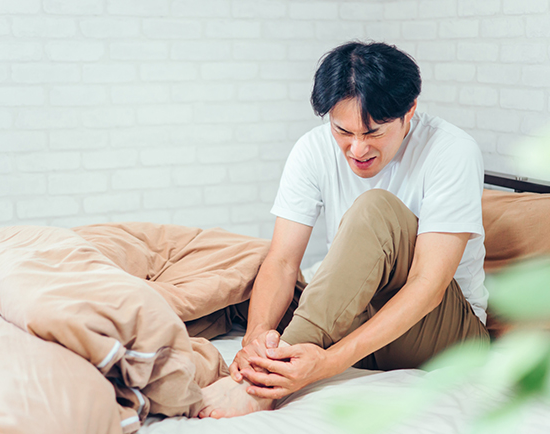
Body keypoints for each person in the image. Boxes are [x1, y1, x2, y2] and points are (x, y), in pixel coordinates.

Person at [197, 41, 490, 418]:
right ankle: (265, 365)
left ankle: (261, 387)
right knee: (261, 279)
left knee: (375, 208)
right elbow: (283, 260)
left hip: (443, 337)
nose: (357, 148)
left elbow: (427, 288)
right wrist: (255, 341)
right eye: (342, 130)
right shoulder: (312, 149)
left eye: (374, 132)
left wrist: (326, 364)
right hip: (360, 320)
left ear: (410, 110)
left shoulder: (452, 151)